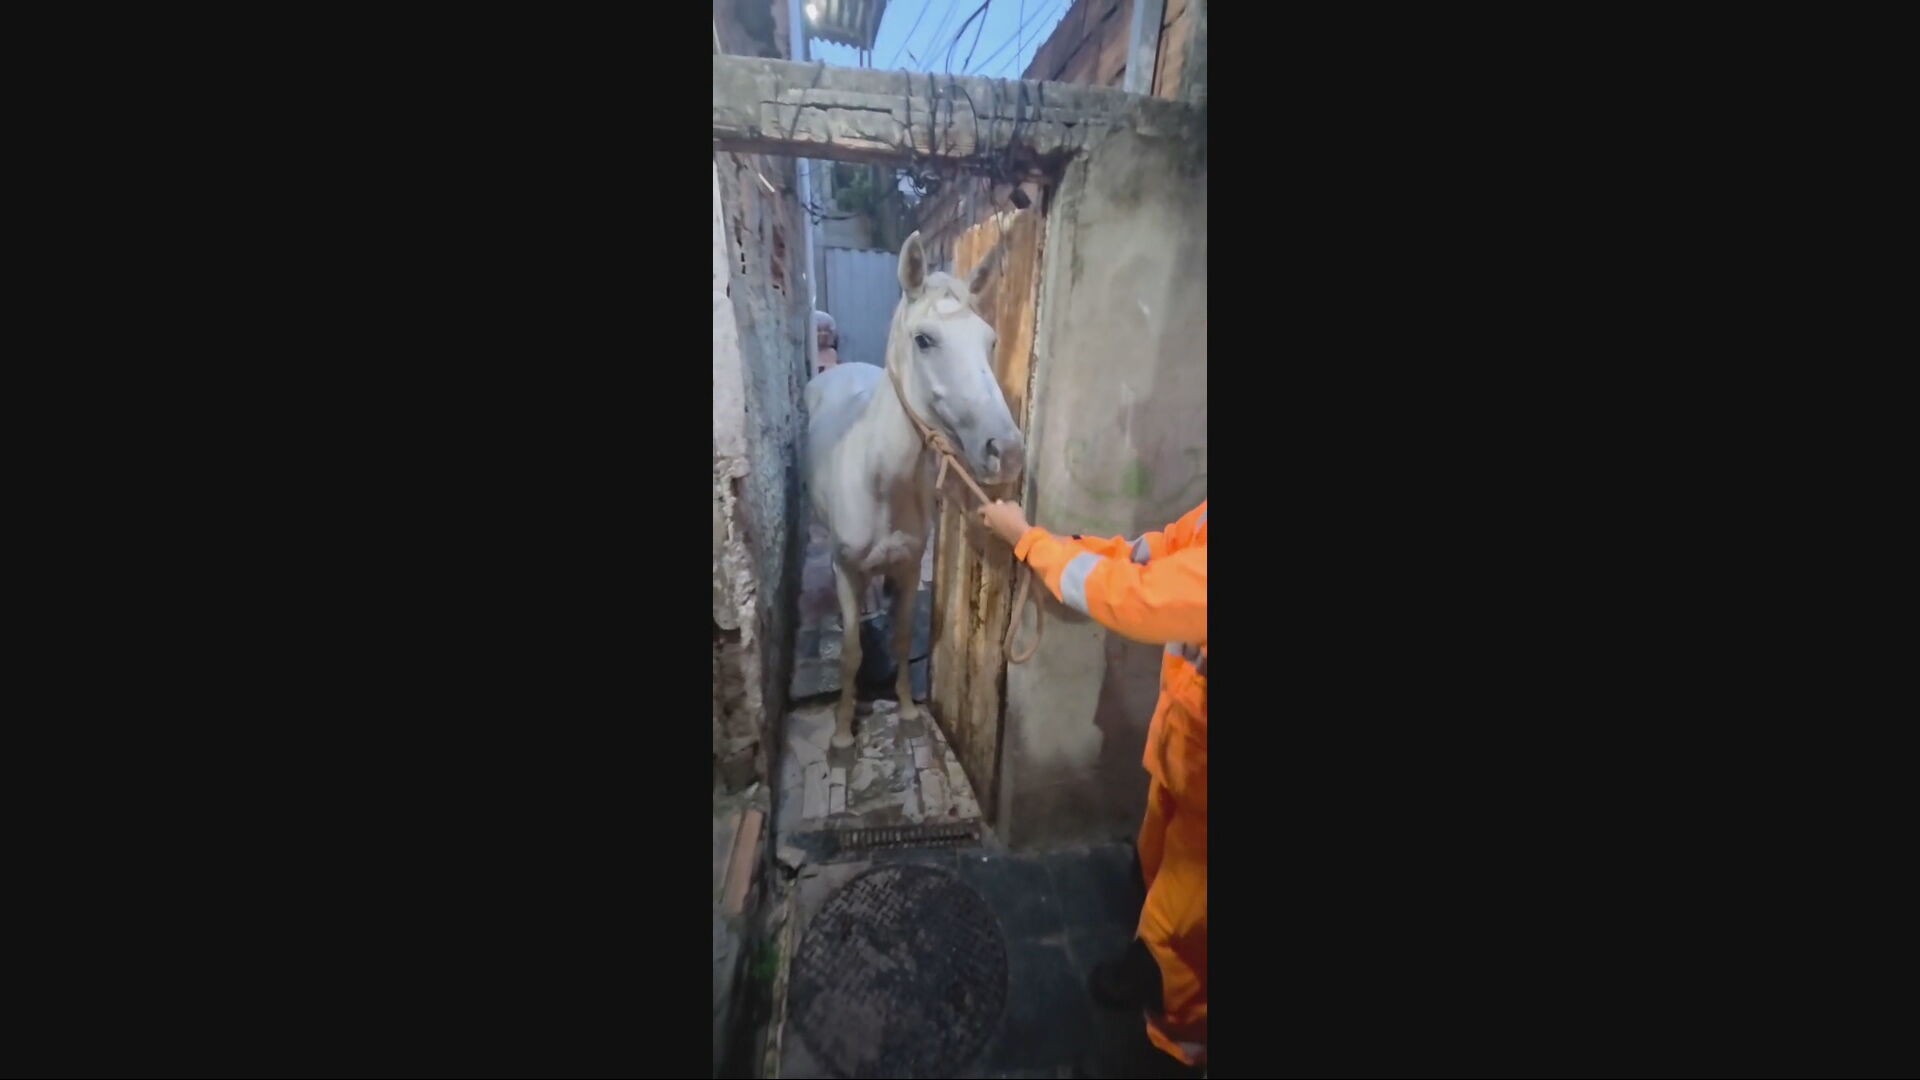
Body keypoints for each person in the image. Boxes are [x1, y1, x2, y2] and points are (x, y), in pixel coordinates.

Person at [979, 497, 1209, 1069]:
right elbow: (1153, 554)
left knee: (1180, 925)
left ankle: (1175, 1034)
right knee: (1152, 854)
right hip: (1189, 749)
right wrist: (1066, 544)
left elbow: (1138, 598)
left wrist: (1031, 543)